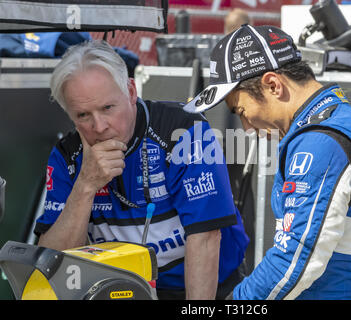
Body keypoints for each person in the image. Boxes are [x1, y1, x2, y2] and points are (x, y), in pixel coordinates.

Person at [184, 24, 351, 299]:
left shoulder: (320, 142)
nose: (246, 127)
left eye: (243, 111)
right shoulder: (336, 117)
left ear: (273, 85)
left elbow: (293, 260)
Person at [34, 40, 249, 300]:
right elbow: (53, 263)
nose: (99, 126)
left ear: (131, 91)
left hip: (201, 288)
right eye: (83, 115)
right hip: (118, 290)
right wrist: (85, 186)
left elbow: (205, 237)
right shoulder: (66, 156)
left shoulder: (182, 130)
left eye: (107, 108)